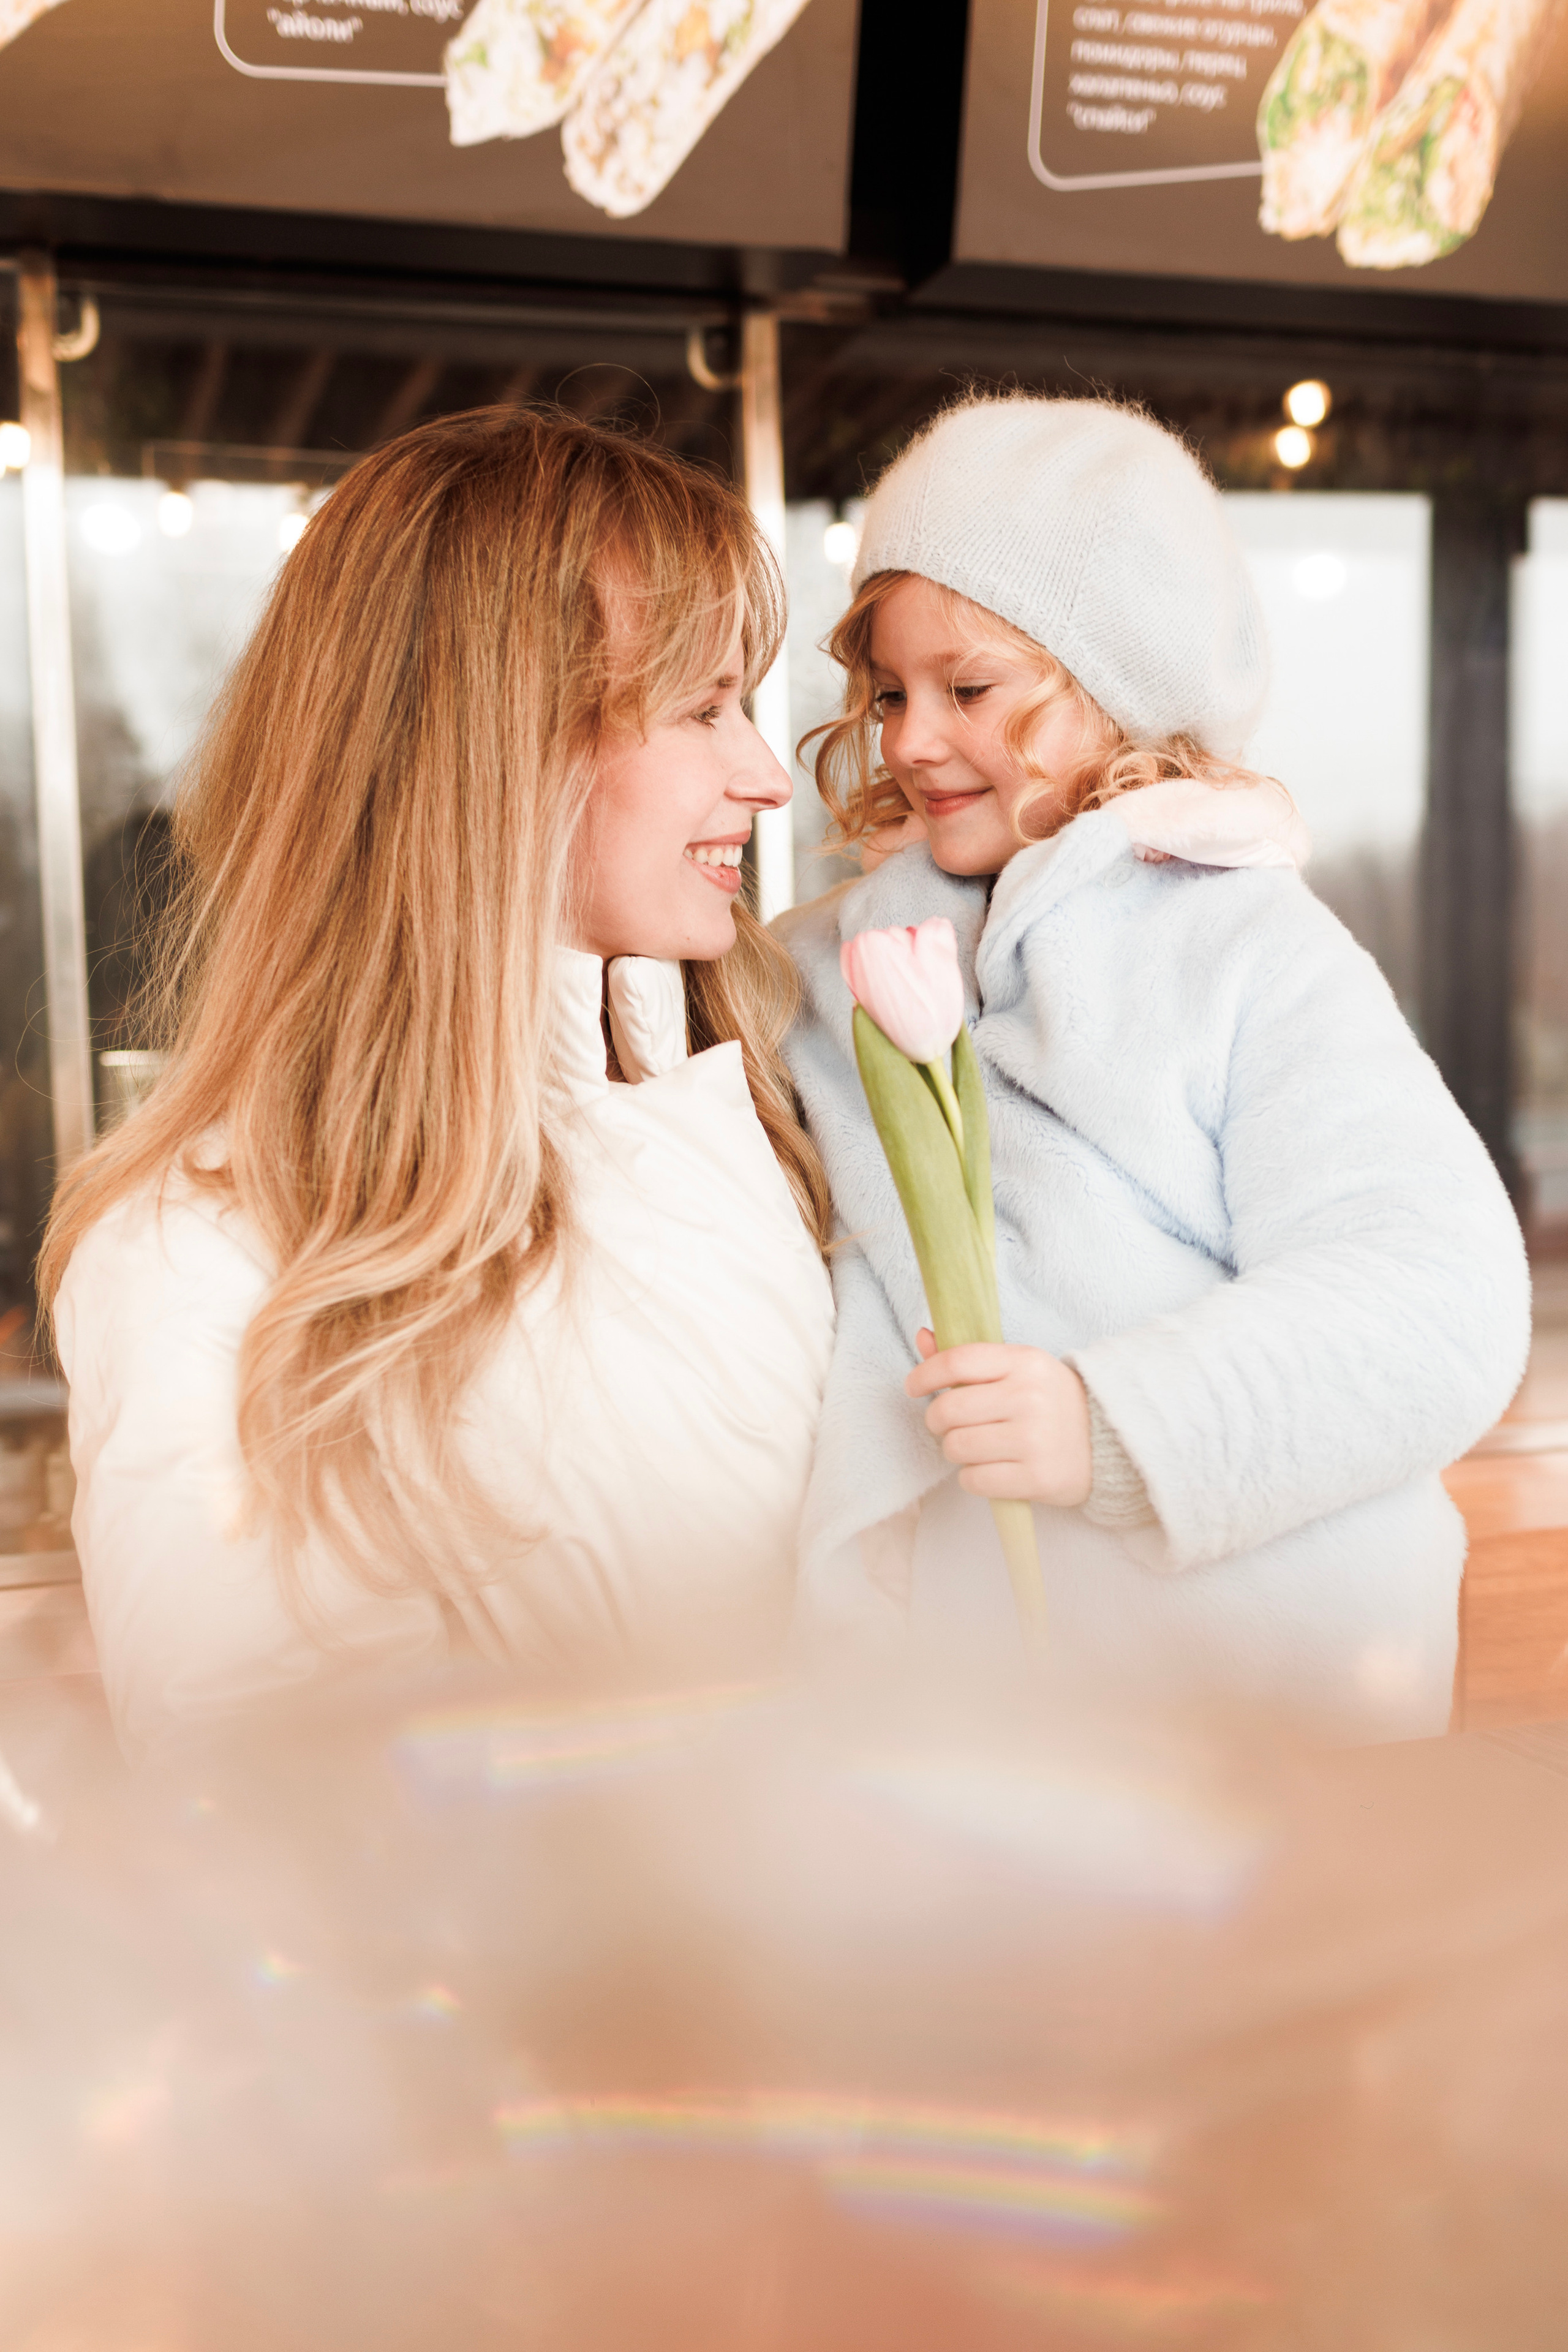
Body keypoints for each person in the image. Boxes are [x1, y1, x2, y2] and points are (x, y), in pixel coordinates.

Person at [42, 407, 835, 1760]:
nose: (764, 775)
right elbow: (275, 1795)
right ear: (502, 744)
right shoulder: (201, 1248)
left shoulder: (729, 1123)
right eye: (703, 707)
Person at [778, 394, 1529, 1742]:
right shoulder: (838, 966)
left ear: (1115, 685)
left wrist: (1112, 1427)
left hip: (1272, 1703)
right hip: (993, 1734)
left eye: (967, 688)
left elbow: (1440, 1295)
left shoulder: (1246, 948)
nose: (904, 740)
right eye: (888, 694)